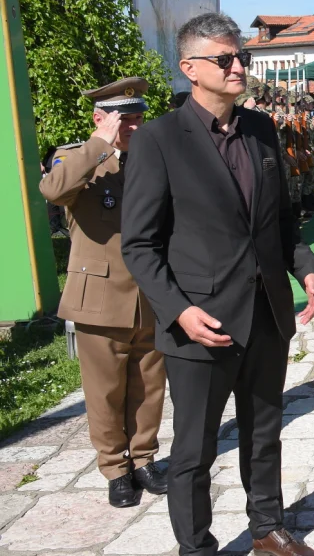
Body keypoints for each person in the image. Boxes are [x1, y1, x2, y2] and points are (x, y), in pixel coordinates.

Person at [121, 12, 314, 556]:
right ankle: (196, 546)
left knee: (265, 432)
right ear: (190, 68)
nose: (238, 67)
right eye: (225, 59)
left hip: (266, 314)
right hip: (201, 323)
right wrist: (179, 311)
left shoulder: (260, 129)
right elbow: (139, 245)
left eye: (242, 57)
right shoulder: (159, 140)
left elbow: (280, 219)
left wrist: (304, 265)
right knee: (194, 449)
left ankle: (268, 530)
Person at [39, 77, 168, 509]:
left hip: (149, 293)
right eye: (123, 119)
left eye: (138, 118)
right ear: (100, 119)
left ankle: (144, 459)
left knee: (149, 385)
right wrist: (100, 143)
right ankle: (115, 468)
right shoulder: (76, 158)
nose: (133, 127)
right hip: (99, 295)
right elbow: (54, 191)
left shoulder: (151, 159)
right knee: (105, 391)